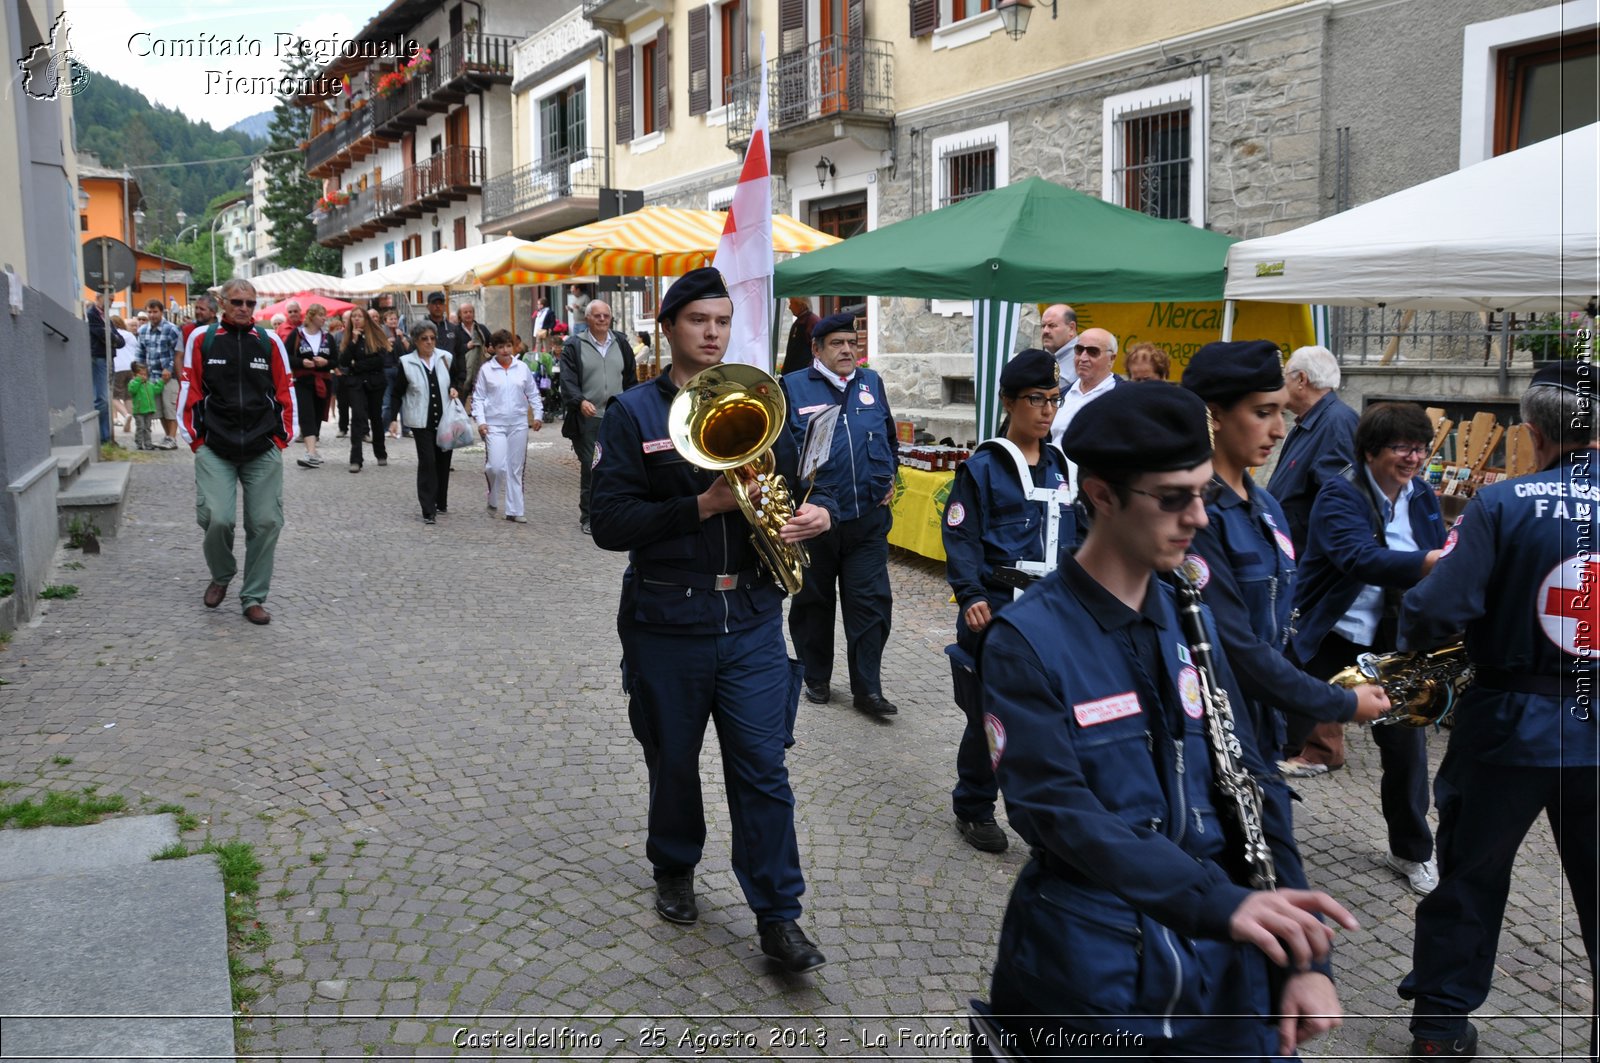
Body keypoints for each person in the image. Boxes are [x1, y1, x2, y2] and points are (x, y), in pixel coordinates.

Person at [979, 381, 1355, 1057]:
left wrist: (1303, 963)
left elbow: (1255, 784)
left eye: (1204, 493)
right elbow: (1057, 811)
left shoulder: (1193, 614)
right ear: (1100, 495)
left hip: (1223, 962)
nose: (1199, 518)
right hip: (1095, 966)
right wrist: (1221, 904)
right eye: (1174, 497)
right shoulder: (1026, 638)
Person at [590, 267, 837, 974]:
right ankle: (674, 864)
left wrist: (817, 516)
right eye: (699, 319)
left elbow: (790, 487)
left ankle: (778, 915)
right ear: (669, 326)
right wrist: (700, 506)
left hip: (754, 618)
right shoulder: (633, 413)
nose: (713, 332)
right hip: (668, 618)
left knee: (763, 769)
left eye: (723, 321)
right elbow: (608, 522)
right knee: (672, 760)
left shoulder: (761, 394)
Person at [1396, 361, 1599, 1059]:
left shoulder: (1504, 503)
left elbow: (1435, 607)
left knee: (1471, 875)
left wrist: (1418, 641)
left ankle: (1440, 1029)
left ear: (1533, 433)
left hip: (1507, 724)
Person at [1179, 341, 1386, 774]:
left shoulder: (1267, 507)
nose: (1278, 430)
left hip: (1261, 721)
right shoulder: (1195, 514)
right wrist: (1340, 702)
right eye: (1262, 413)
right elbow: (1236, 647)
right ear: (1213, 416)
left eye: (1281, 413)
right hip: (1209, 725)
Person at [1287, 403, 1446, 895]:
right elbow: (1360, 557)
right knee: (1281, 729)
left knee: (1404, 747)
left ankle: (1412, 852)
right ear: (1371, 450)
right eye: (1402, 447)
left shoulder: (1420, 493)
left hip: (1390, 639)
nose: (1414, 457)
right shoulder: (1340, 492)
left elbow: (1438, 540)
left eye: (1420, 447)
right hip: (1328, 634)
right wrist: (1431, 562)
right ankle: (1244, 834)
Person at [941, 348, 1073, 854]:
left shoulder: (1063, 467)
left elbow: (1075, 539)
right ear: (1009, 402)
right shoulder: (984, 468)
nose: (1045, 410)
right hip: (997, 607)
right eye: (1035, 399)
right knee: (990, 715)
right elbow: (961, 537)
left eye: (1054, 400)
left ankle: (1044, 811)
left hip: (1051, 613)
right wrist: (971, 594)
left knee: (1050, 714)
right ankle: (974, 805)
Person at [781, 311, 899, 717]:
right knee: (813, 604)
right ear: (816, 349)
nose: (847, 349)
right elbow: (786, 456)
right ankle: (815, 676)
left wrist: (890, 477)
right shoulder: (792, 386)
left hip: (866, 522)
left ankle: (868, 689)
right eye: (837, 343)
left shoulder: (872, 383)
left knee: (870, 604)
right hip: (815, 522)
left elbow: (888, 437)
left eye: (852, 342)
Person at [177, 279, 295, 626]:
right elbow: (190, 389)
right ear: (222, 304)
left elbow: (285, 389)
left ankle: (254, 597)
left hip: (262, 447)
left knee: (266, 521)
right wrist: (196, 441)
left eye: (250, 303)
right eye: (237, 302)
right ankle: (222, 572)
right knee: (217, 518)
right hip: (215, 446)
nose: (244, 308)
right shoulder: (203, 339)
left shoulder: (270, 342)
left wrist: (281, 439)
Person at [1267, 345, 1360, 555]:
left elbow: (1342, 502)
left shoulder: (1337, 423)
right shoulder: (1312, 420)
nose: (1282, 384)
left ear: (1301, 379)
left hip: (1308, 560)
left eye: (1285, 377)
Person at [559, 299, 636, 535]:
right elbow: (567, 380)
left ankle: (616, 512)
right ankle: (589, 516)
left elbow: (631, 379)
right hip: (588, 417)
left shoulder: (621, 343)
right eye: (597, 316)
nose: (602, 319)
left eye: (606, 315)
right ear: (587, 319)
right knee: (592, 467)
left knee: (618, 465)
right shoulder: (575, 345)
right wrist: (579, 401)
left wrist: (632, 406)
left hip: (617, 415)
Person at [390, 321, 459, 524]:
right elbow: (397, 393)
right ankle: (428, 509)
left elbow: (456, 378)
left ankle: (441, 501)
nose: (429, 342)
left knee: (443, 460)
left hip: (445, 417)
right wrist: (393, 419)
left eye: (432, 338)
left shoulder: (446, 358)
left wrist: (455, 388)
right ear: (416, 341)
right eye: (424, 339)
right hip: (421, 421)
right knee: (428, 462)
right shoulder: (406, 362)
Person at [473, 329, 544, 523]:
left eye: (508, 346)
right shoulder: (487, 370)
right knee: (495, 466)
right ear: (493, 349)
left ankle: (515, 510)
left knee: (515, 468)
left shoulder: (521, 368)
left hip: (518, 423)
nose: (505, 350)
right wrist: (481, 421)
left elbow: (533, 393)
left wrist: (538, 414)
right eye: (501, 347)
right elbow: (478, 398)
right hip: (494, 424)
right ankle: (493, 496)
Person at [339, 308, 391, 473]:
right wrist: (354, 342)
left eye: (359, 316)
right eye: (353, 316)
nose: (356, 319)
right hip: (356, 384)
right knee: (357, 418)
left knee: (375, 417)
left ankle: (380, 453)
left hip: (375, 383)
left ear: (366, 319)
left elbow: (380, 361)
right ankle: (356, 459)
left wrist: (357, 365)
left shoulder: (376, 336)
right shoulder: (348, 338)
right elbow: (344, 361)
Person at [287, 304, 335, 469]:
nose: (324, 318)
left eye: (325, 315)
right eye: (321, 315)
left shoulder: (328, 337)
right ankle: (311, 453)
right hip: (303, 381)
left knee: (317, 416)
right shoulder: (297, 334)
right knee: (306, 414)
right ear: (312, 316)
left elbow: (337, 360)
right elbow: (286, 356)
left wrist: (326, 362)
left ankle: (313, 449)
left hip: (323, 381)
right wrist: (301, 362)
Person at [136, 299, 183, 449]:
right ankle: (168, 437)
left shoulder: (171, 329)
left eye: (155, 312)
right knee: (159, 410)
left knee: (170, 408)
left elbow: (178, 353)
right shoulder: (143, 330)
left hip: (169, 376)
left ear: (161, 312)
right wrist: (139, 372)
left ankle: (172, 438)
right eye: (149, 312)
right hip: (152, 377)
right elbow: (140, 353)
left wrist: (169, 368)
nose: (152, 315)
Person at [86, 295, 122, 444]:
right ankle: (103, 437)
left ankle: (106, 437)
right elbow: (102, 335)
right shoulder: (92, 314)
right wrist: (112, 338)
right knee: (102, 399)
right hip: (98, 358)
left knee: (106, 398)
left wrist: (112, 338)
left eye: (113, 300)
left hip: (107, 358)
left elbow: (120, 341)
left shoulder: (105, 316)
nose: (111, 302)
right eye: (109, 299)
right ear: (99, 297)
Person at [424, 292, 471, 394]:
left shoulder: (453, 329)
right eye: (434, 303)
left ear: (445, 307)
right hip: (429, 378)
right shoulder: (421, 329)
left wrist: (461, 378)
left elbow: (460, 353)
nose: (437, 306)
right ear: (428, 306)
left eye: (440, 303)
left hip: (452, 379)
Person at [380, 307, 410, 438]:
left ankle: (406, 428)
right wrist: (386, 343)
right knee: (387, 401)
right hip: (386, 369)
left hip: (400, 369)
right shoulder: (382, 334)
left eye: (395, 319)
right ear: (385, 321)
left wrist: (402, 338)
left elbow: (409, 350)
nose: (393, 321)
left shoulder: (401, 333)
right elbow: (377, 350)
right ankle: (385, 428)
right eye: (390, 319)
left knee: (404, 400)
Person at [457, 301, 492, 408]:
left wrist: (490, 348)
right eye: (465, 312)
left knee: (483, 398)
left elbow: (491, 343)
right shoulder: (456, 330)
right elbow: (454, 350)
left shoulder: (481, 328)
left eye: (470, 312)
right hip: (464, 370)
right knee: (461, 399)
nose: (468, 314)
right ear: (460, 315)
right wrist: (466, 346)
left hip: (481, 368)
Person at [111, 313, 138, 435]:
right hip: (131, 367)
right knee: (128, 396)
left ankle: (125, 415)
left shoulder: (112, 335)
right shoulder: (130, 335)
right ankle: (129, 426)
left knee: (113, 396)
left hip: (117, 367)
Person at [780, 296, 819, 376]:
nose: (789, 307)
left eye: (791, 303)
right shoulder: (800, 321)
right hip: (795, 374)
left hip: (804, 375)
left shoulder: (812, 322)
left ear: (801, 304)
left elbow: (819, 349)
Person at [126, 362, 158, 450]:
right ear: (135, 374)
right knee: (140, 427)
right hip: (139, 410)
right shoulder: (133, 383)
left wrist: (161, 382)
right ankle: (139, 443)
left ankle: (148, 443)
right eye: (141, 374)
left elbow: (156, 390)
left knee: (147, 428)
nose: (144, 376)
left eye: (145, 374)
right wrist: (138, 380)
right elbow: (132, 390)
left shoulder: (149, 384)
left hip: (149, 410)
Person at [1039, 303, 1077, 377]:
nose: (1045, 331)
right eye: (1043, 326)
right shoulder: (1045, 358)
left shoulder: (1083, 357)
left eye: (1052, 326)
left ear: (1071, 328)